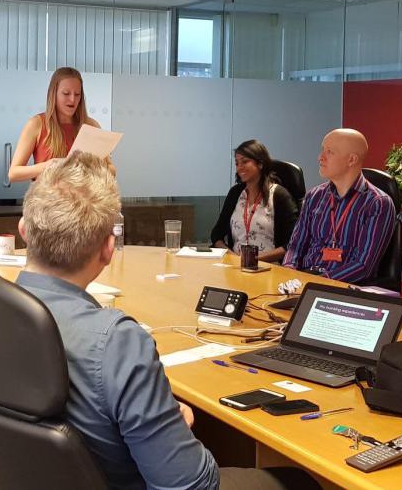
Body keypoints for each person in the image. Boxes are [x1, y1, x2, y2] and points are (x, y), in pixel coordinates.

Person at [16, 152, 318, 490]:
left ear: (24, 230)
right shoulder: (117, 343)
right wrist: (170, 421)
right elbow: (190, 486)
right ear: (108, 249)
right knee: (301, 481)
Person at [282, 128, 395, 283]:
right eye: (323, 150)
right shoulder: (314, 196)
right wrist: (289, 271)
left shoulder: (377, 203)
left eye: (329, 152)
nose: (320, 157)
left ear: (351, 160)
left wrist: (319, 282)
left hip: (342, 288)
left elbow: (363, 266)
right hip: (304, 280)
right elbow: (296, 246)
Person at [8, 67, 113, 183]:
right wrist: (48, 165)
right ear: (54, 94)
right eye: (66, 93)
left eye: (77, 94)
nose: (72, 99)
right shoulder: (36, 124)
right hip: (49, 199)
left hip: (84, 198)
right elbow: (13, 173)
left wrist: (96, 167)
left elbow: (112, 170)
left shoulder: (91, 125)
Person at [210, 140, 298, 263]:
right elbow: (216, 235)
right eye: (237, 163)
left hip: (269, 268)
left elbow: (292, 243)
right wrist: (233, 258)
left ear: (260, 164)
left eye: (245, 161)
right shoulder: (235, 193)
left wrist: (255, 260)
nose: (240, 167)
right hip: (235, 267)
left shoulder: (279, 195)